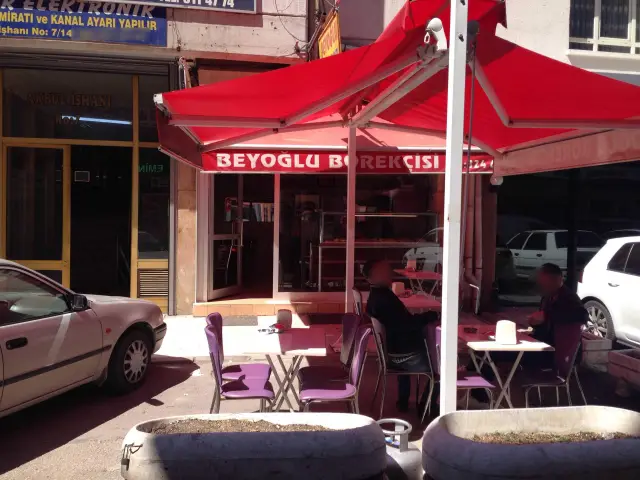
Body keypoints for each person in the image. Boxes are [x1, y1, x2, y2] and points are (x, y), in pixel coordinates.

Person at [363, 259, 438, 412]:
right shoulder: (384, 299)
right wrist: (430, 316)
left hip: (395, 351)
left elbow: (402, 322)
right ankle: (427, 406)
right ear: (372, 277)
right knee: (443, 365)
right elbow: (406, 325)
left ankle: (404, 401)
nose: (389, 272)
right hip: (403, 357)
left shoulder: (377, 296)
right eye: (383, 271)